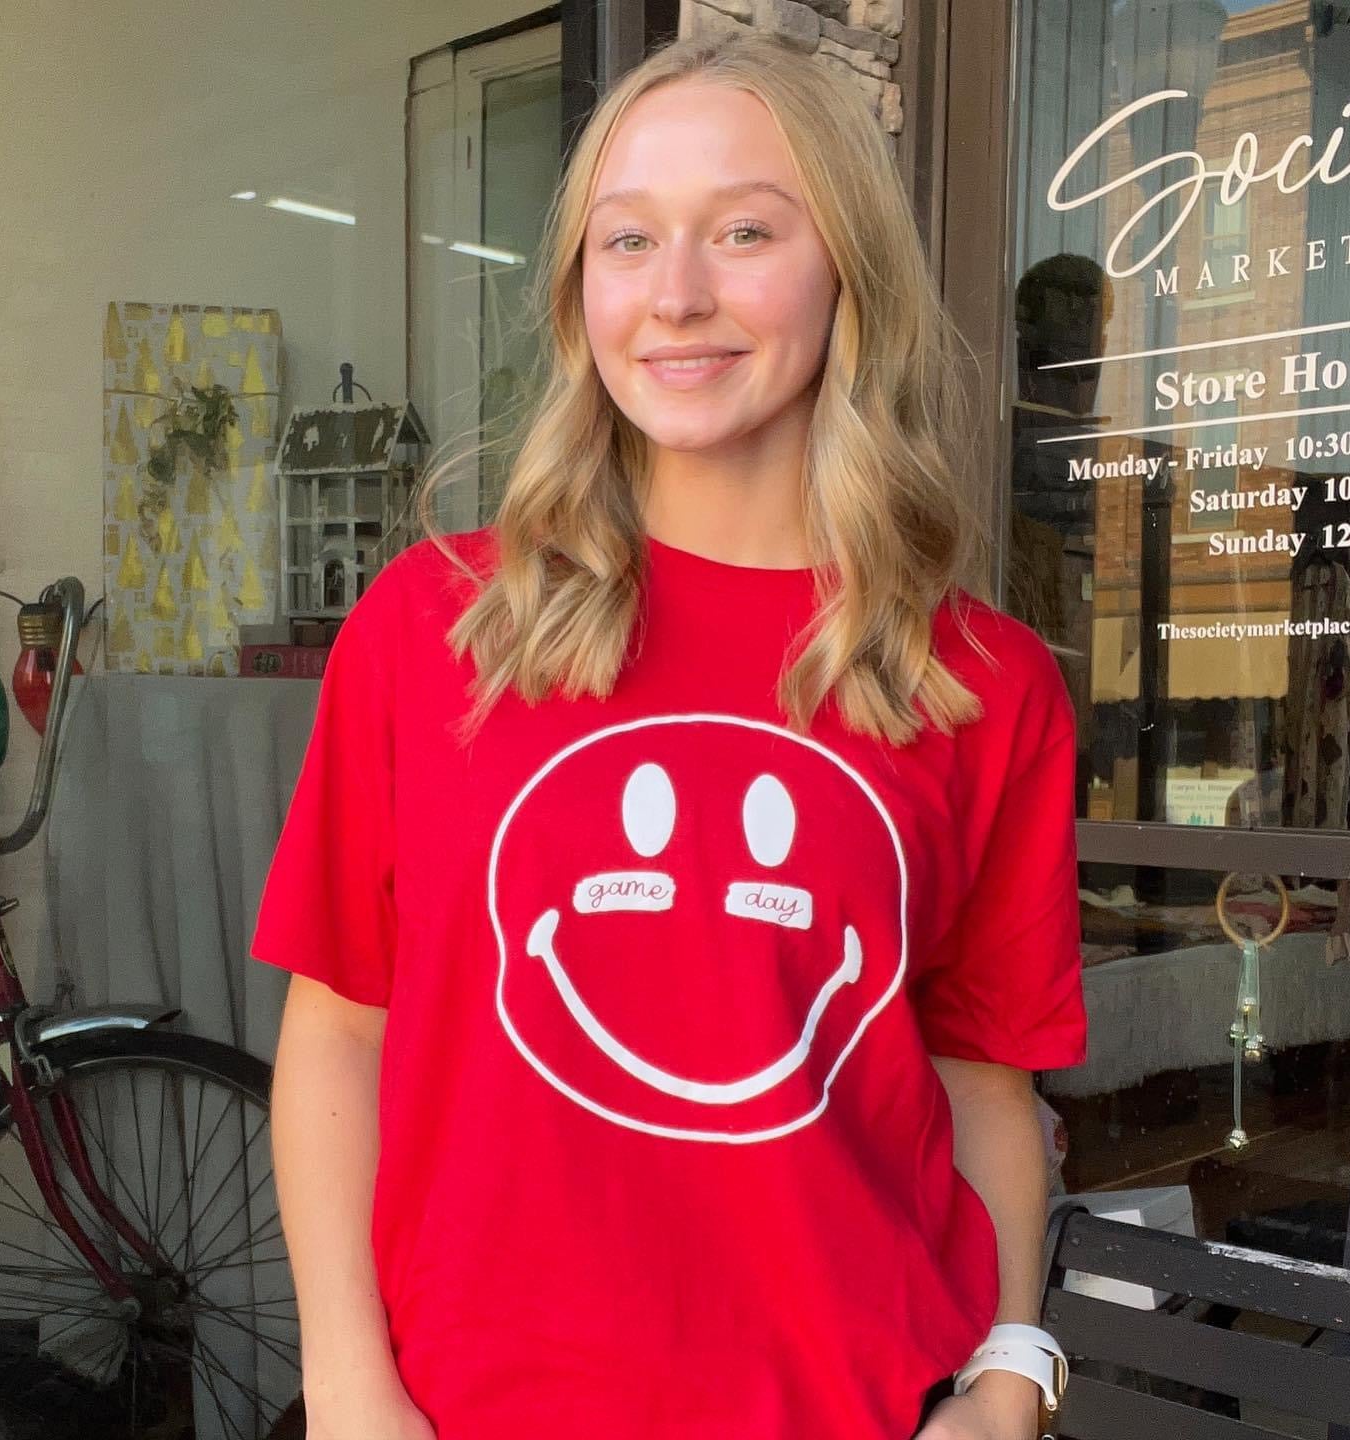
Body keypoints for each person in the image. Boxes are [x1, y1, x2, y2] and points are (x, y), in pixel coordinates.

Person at [253, 28, 1087, 1440]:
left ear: (849, 273)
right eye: (628, 241)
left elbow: (980, 1082)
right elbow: (338, 1031)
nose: (679, 296)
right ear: (582, 293)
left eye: (745, 230)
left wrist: (1012, 1375)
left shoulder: (977, 683)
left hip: (855, 1405)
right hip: (470, 1413)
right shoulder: (435, 627)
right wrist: (346, 1384)